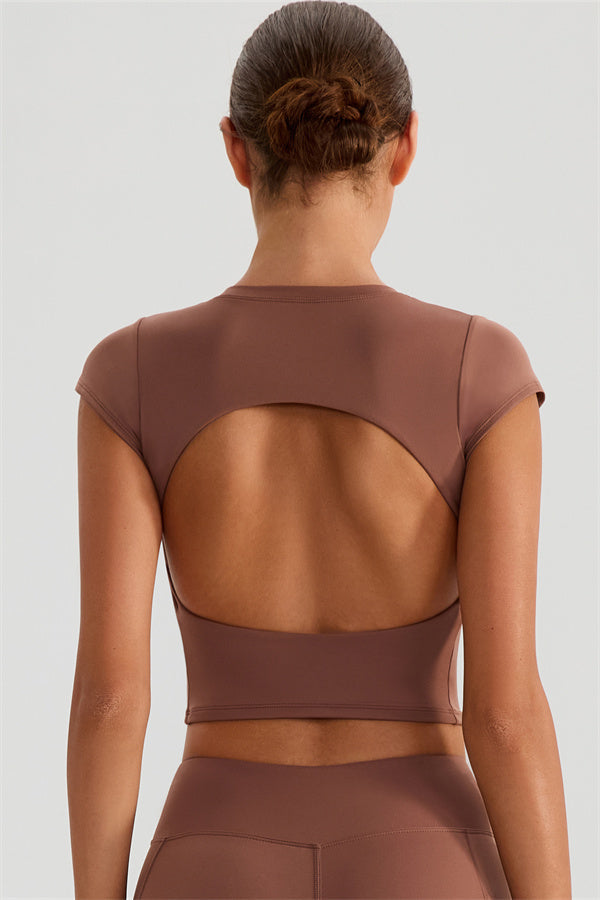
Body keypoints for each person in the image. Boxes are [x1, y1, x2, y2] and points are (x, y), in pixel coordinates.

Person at [67, 2, 571, 898]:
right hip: (425, 858)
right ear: (403, 149)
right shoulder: (481, 371)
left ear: (237, 151)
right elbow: (505, 715)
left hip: (211, 854)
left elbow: (110, 702)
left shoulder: (130, 373)